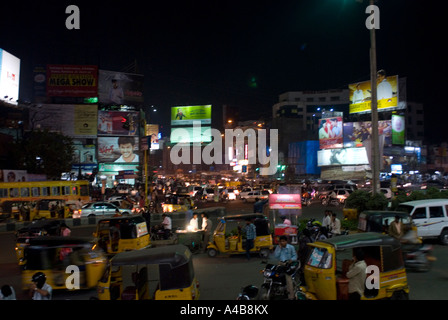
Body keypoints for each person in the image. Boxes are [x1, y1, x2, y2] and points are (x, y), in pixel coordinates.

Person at [273, 235, 298, 300]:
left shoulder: (291, 247)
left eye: (283, 241)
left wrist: (291, 260)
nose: (282, 243)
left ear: (286, 241)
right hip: (280, 263)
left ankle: (291, 296)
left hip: (288, 264)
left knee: (288, 279)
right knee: (274, 275)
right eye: (281, 241)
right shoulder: (278, 247)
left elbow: (295, 256)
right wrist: (279, 248)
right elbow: (276, 256)